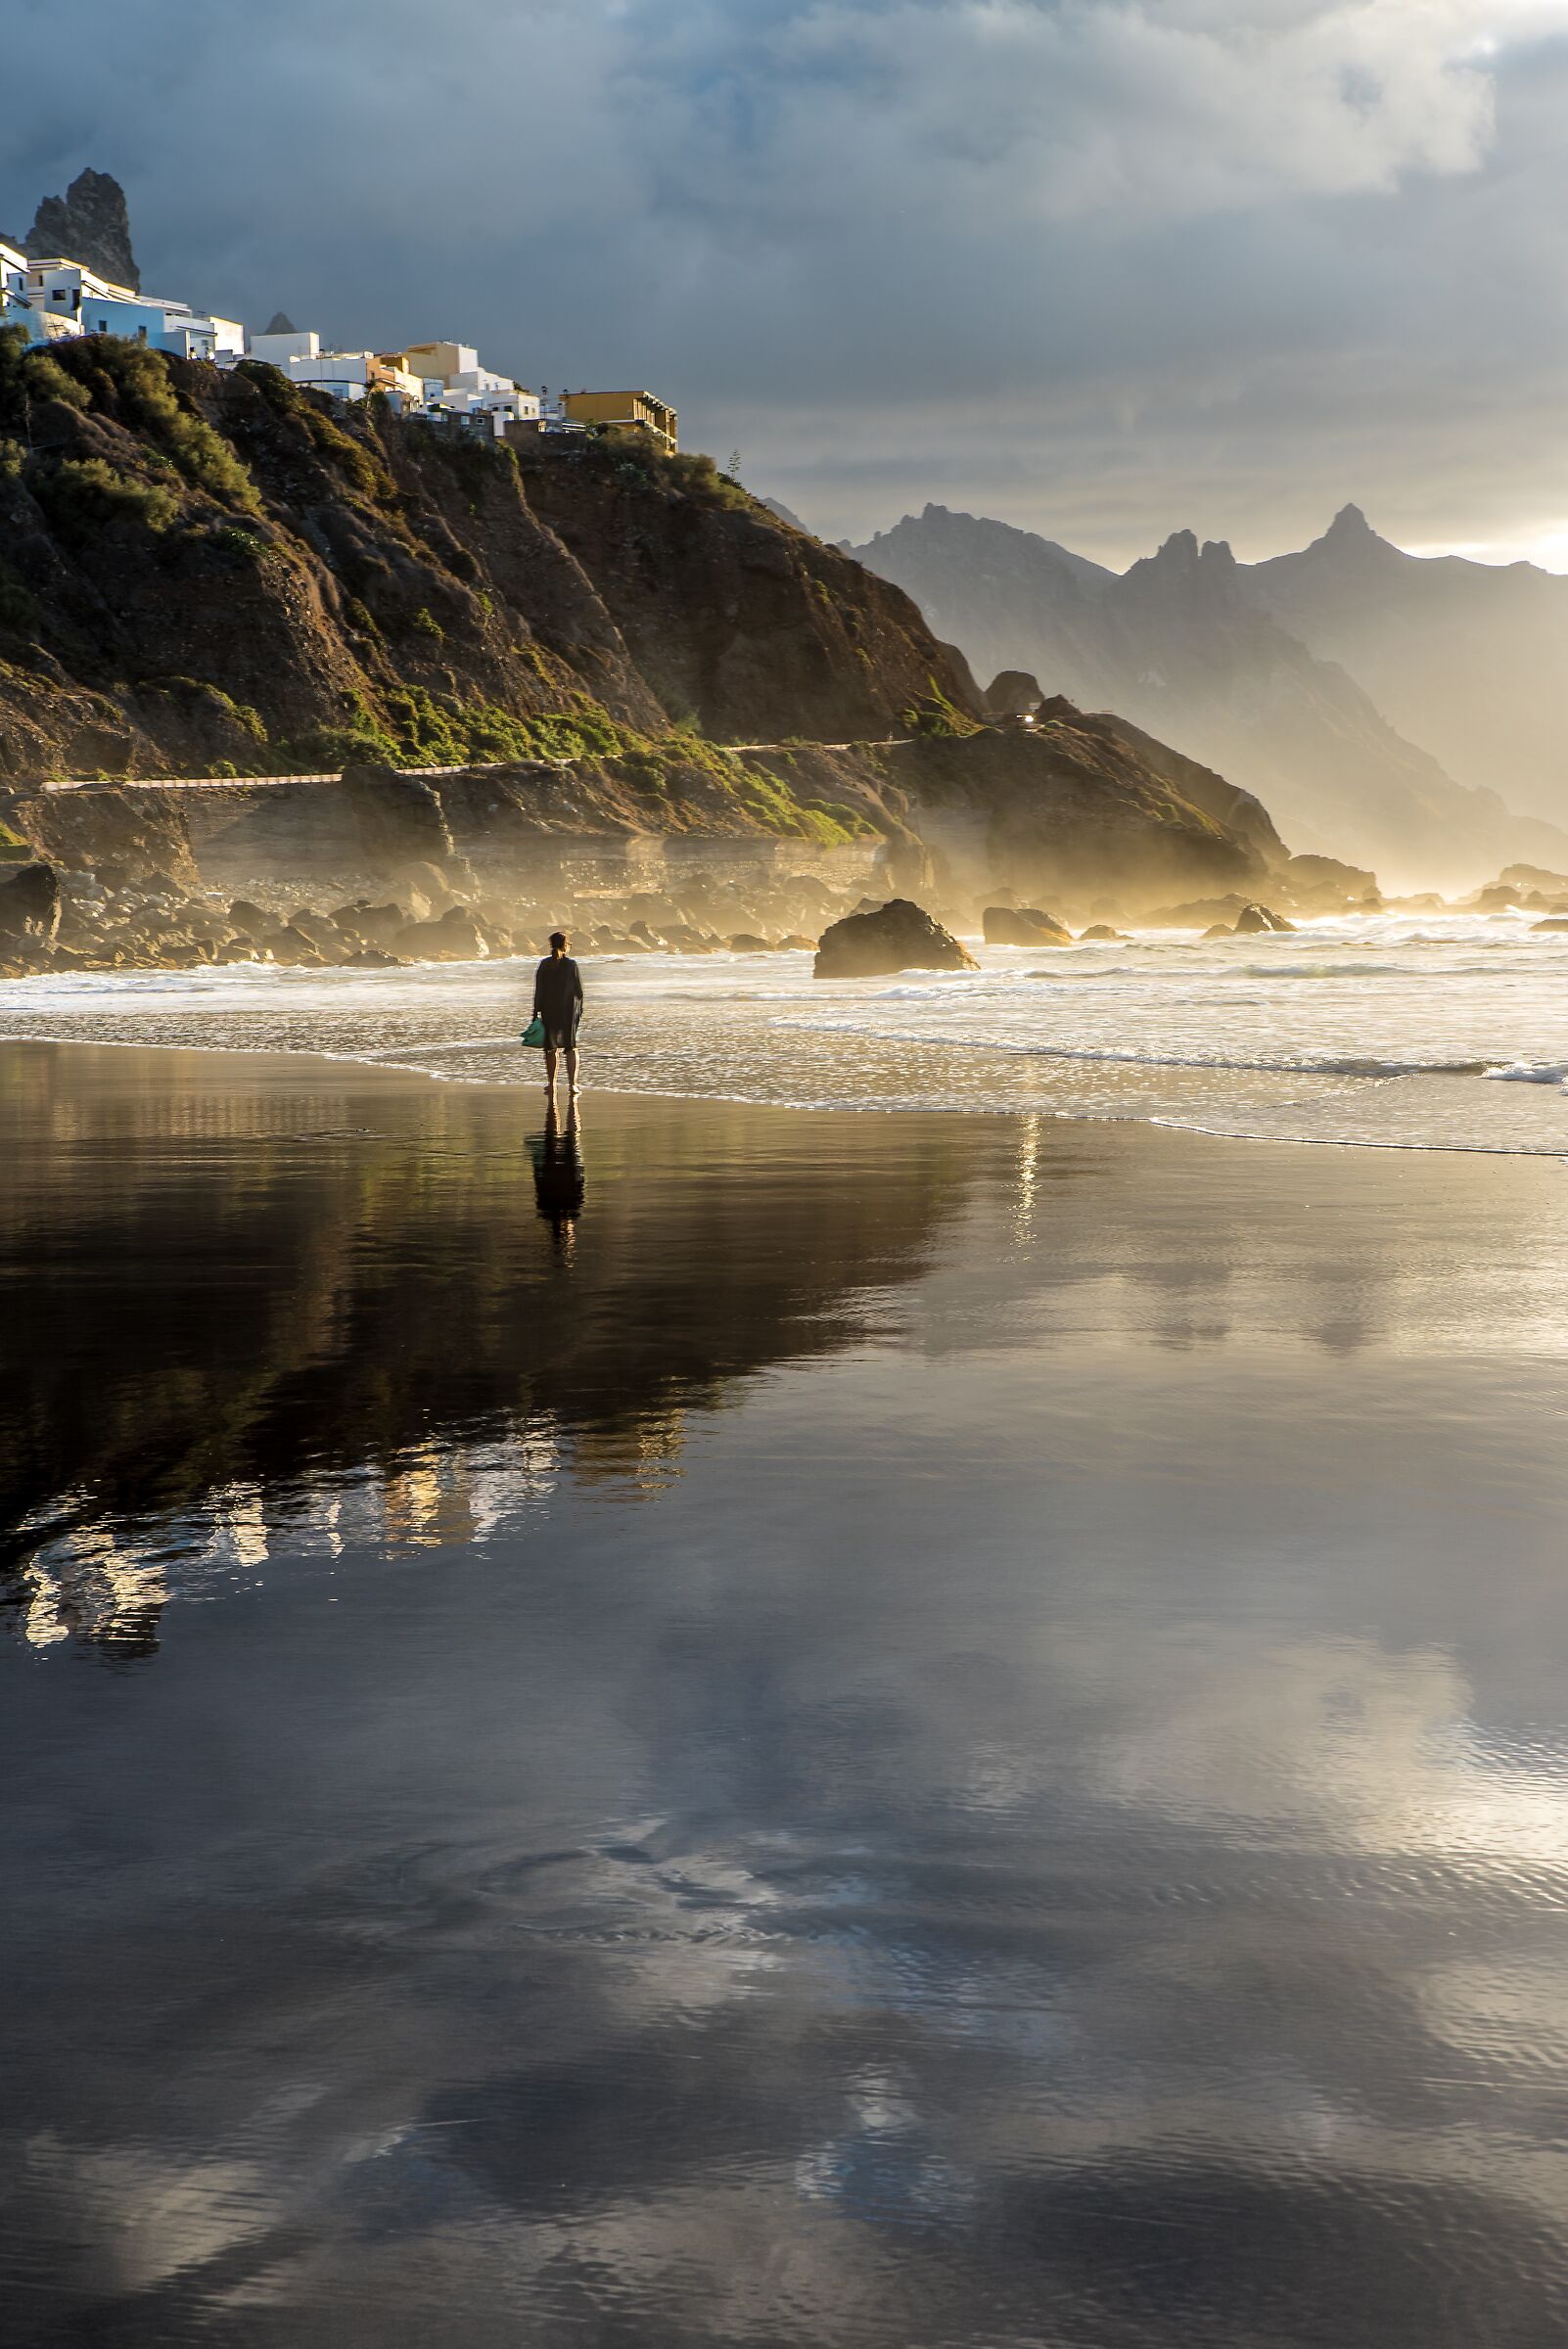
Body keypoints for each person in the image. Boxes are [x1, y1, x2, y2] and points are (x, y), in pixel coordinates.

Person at [531, 930, 583, 1095]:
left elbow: (539, 990)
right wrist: (579, 1011)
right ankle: (573, 1085)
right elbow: (579, 992)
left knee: (551, 1049)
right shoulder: (571, 965)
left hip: (549, 1011)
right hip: (568, 1012)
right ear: (565, 946)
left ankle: (551, 1085)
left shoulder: (544, 965)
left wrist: (535, 1012)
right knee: (571, 1048)